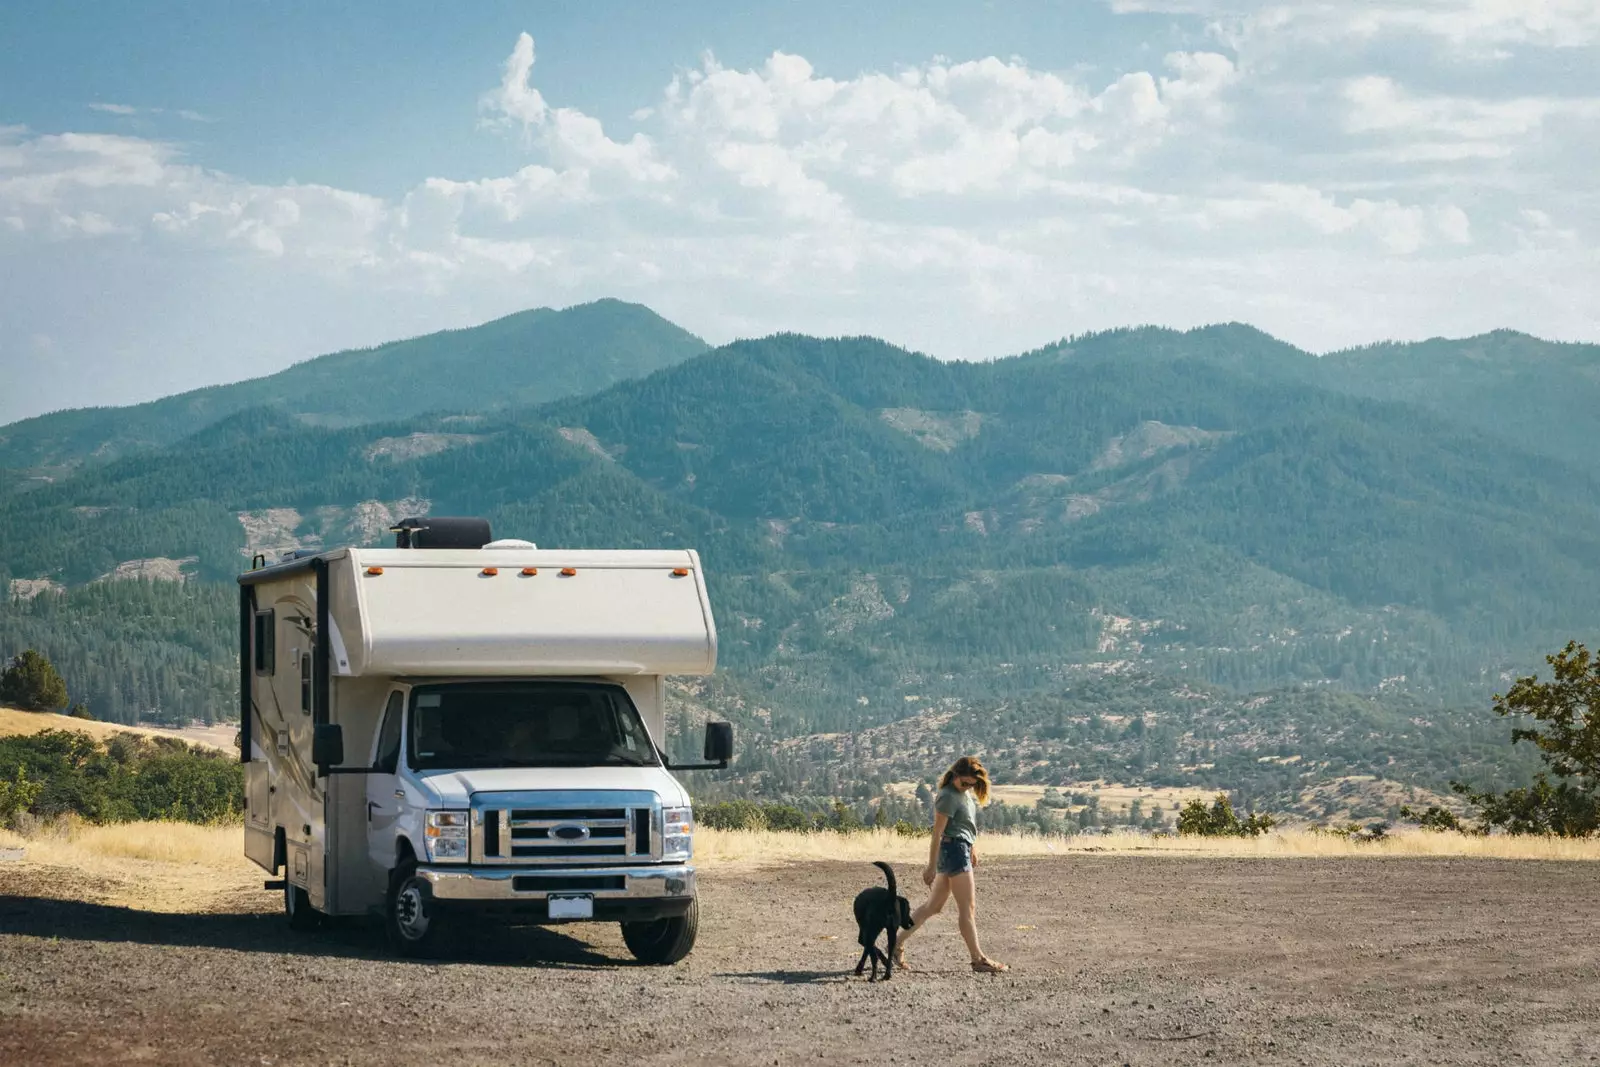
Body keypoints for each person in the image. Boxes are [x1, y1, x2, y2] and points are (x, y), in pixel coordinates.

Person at [893, 755, 1009, 974]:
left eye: (972, 785)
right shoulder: (947, 796)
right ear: (955, 775)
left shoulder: (961, 794)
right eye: (965, 783)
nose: (968, 787)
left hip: (959, 849)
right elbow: (938, 832)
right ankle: (978, 959)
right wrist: (930, 866)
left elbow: (963, 825)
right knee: (967, 908)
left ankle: (895, 945)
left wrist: (972, 845)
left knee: (933, 907)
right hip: (954, 852)